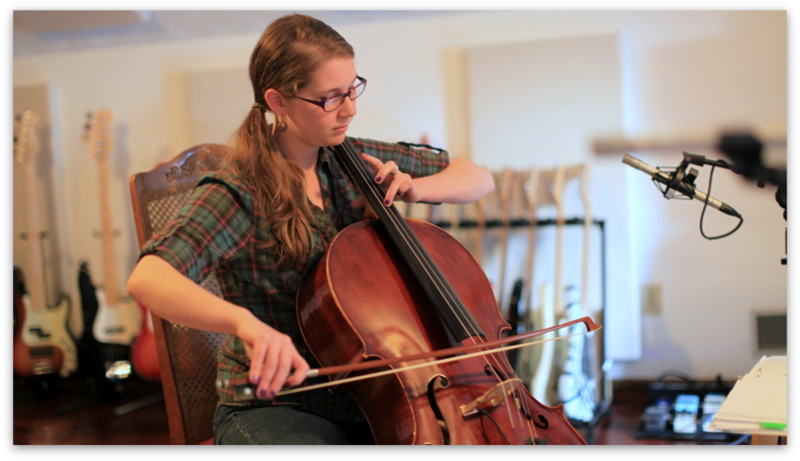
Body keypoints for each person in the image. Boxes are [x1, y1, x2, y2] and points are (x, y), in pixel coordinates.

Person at [126, 13, 495, 445]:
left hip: (376, 396)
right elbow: (148, 277)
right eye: (329, 98)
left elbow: (476, 176)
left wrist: (415, 187)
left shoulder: (349, 158)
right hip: (280, 406)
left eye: (353, 88)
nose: (351, 109)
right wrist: (245, 325)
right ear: (278, 101)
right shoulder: (241, 191)